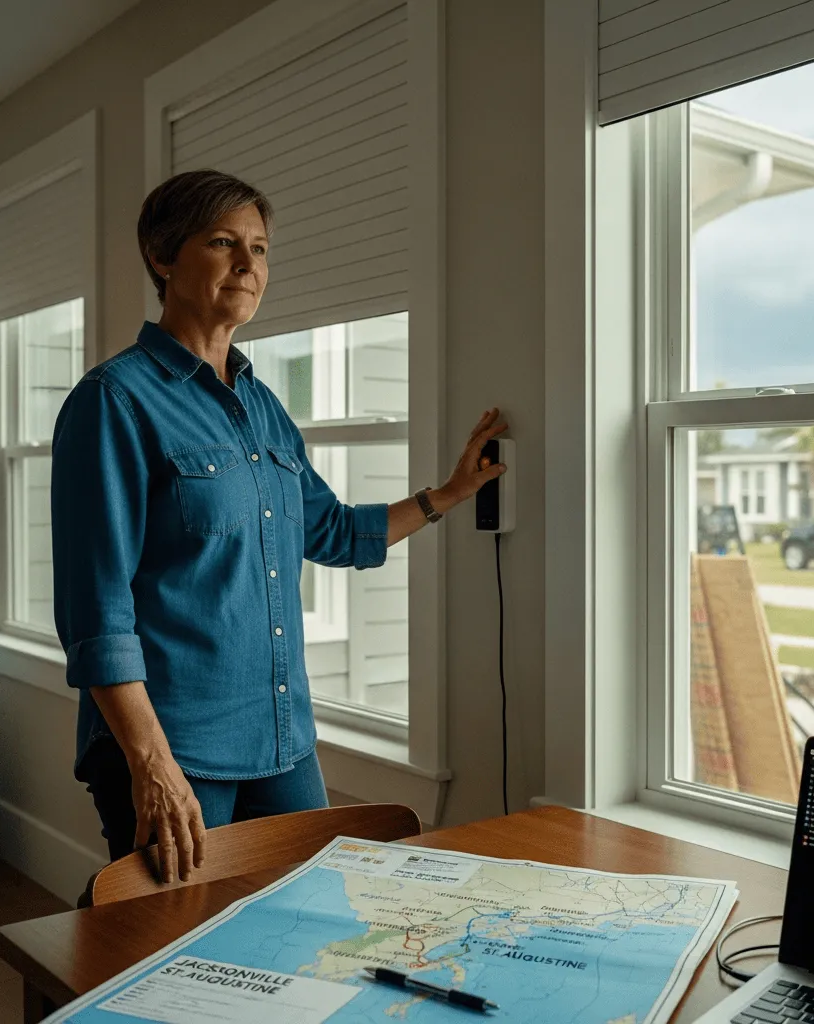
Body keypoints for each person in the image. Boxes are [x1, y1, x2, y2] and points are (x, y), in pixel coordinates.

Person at [51, 169, 506, 884]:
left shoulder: (262, 406)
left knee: (307, 931)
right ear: (163, 257)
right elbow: (96, 612)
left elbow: (328, 530)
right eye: (224, 243)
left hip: (283, 740)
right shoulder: (113, 402)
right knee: (178, 965)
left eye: (260, 250)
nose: (248, 266)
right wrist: (153, 765)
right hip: (176, 749)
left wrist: (449, 493)